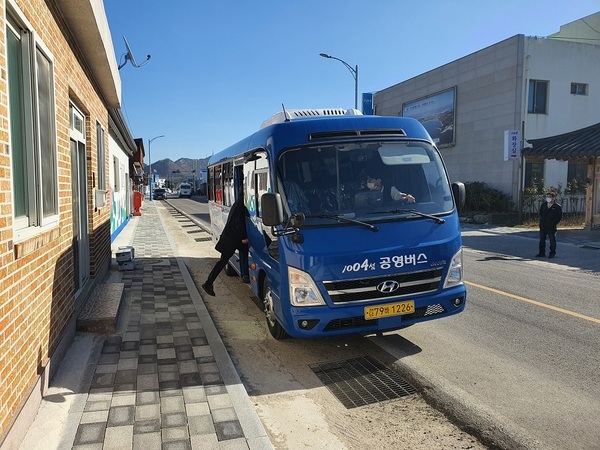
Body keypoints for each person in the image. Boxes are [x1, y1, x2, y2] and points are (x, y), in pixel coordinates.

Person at [202, 185, 249, 296]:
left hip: (230, 237)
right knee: (223, 261)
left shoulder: (238, 203)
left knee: (225, 260)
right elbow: (238, 224)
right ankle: (208, 283)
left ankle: (209, 283)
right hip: (232, 239)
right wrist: (243, 238)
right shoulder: (241, 205)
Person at [536, 191, 562, 258]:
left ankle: (552, 253)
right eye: (547, 197)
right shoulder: (544, 205)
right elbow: (541, 213)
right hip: (543, 226)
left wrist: (553, 223)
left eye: (550, 197)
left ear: (553, 198)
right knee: (542, 240)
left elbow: (559, 217)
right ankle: (541, 253)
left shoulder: (557, 207)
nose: (548, 198)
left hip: (551, 227)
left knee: (552, 240)